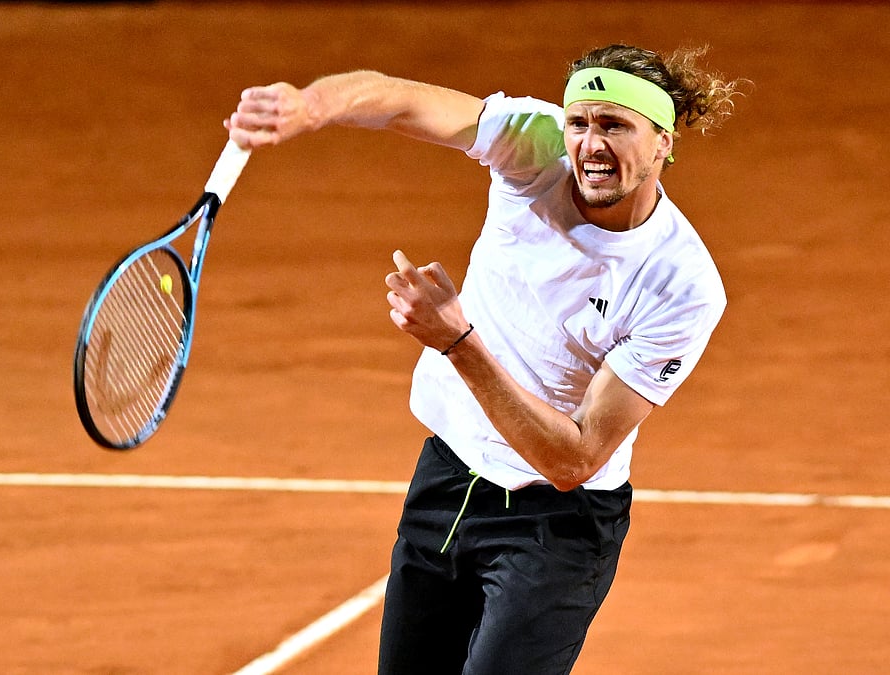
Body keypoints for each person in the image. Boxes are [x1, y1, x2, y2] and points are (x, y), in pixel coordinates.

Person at [225, 44, 745, 674]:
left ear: (663, 141)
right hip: (448, 476)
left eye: (615, 125)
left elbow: (573, 458)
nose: (589, 144)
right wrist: (311, 105)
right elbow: (397, 98)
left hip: (558, 527)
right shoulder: (535, 142)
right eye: (579, 122)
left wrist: (457, 342)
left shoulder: (682, 284)